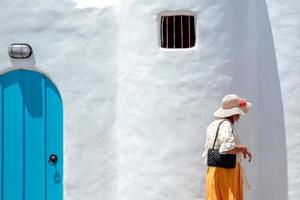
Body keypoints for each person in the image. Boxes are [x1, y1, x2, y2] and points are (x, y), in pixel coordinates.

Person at [202, 94, 252, 200]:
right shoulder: (226, 125)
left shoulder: (212, 125)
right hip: (226, 173)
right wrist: (243, 148)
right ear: (235, 114)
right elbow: (227, 148)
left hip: (214, 171)